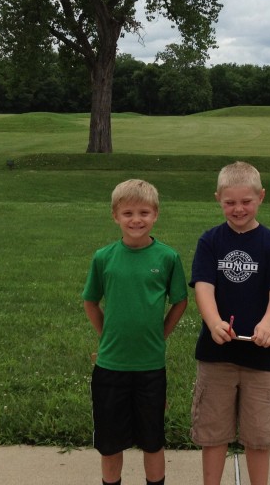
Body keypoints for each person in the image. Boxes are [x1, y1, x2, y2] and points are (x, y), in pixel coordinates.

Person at [188, 161, 270, 485]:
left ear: (261, 197)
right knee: (212, 433)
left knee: (259, 435)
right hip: (215, 355)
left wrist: (267, 324)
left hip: (261, 358)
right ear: (218, 199)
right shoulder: (210, 241)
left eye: (246, 201)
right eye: (230, 202)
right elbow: (203, 288)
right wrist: (214, 322)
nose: (238, 209)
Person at [83, 179, 188, 485]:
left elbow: (180, 301)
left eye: (144, 212)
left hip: (150, 367)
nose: (136, 220)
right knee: (110, 442)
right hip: (110, 366)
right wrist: (106, 335)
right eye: (127, 213)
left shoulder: (167, 258)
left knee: (152, 440)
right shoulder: (104, 257)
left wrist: (161, 334)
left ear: (155, 214)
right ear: (115, 216)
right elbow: (91, 301)